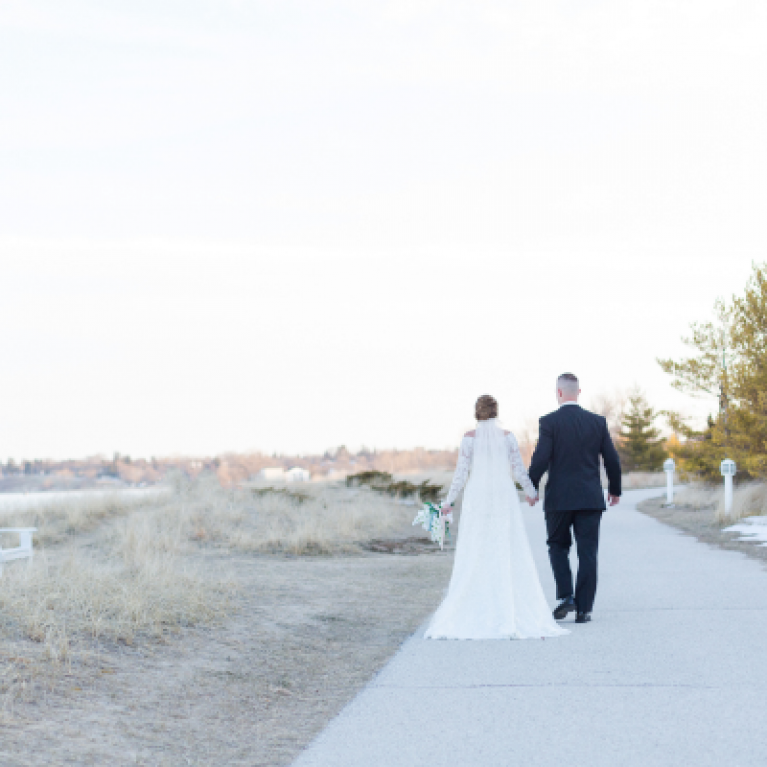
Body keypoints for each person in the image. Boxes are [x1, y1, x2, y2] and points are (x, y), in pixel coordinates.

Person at [424, 395, 568, 640]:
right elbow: (519, 470)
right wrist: (532, 493)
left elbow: (461, 474)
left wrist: (448, 502)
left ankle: (476, 603)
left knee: (476, 549)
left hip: (477, 496)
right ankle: (507, 605)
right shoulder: (508, 437)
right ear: (496, 412)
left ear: (476, 413)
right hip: (503, 497)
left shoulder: (469, 440)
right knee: (505, 547)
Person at [528, 373, 622, 625]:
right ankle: (584, 610)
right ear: (578, 392)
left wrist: (531, 487)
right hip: (590, 497)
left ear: (558, 393)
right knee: (588, 552)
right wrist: (615, 489)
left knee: (557, 546)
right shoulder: (597, 422)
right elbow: (612, 459)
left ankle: (566, 596)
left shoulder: (549, 422)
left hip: (559, 498)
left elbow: (540, 459)